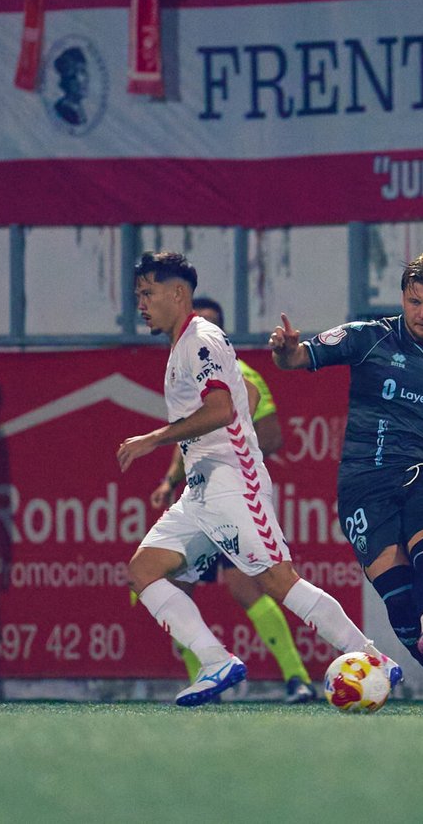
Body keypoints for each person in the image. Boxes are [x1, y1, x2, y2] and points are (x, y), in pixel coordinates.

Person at [116, 251, 398, 707]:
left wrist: (154, 438)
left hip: (233, 482)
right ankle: (216, 662)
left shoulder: (200, 339)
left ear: (177, 293)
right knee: (143, 572)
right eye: (138, 295)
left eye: (148, 293)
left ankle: (371, 658)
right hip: (200, 491)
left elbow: (222, 408)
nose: (141, 304)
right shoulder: (178, 346)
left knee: (277, 580)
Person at [269, 253, 423, 715]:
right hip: (361, 486)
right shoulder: (366, 337)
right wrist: (285, 352)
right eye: (414, 301)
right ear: (402, 297)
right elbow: (299, 357)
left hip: (417, 469)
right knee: (399, 602)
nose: (422, 313)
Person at [146, 296, 317, 704]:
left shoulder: (242, 376)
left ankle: (297, 679)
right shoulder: (183, 374)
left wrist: (231, 457)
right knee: (172, 585)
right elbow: (186, 436)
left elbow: (273, 436)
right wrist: (171, 479)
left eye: (211, 324)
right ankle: (205, 683)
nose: (201, 332)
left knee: (247, 587)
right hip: (197, 500)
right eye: (197, 321)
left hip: (231, 497)